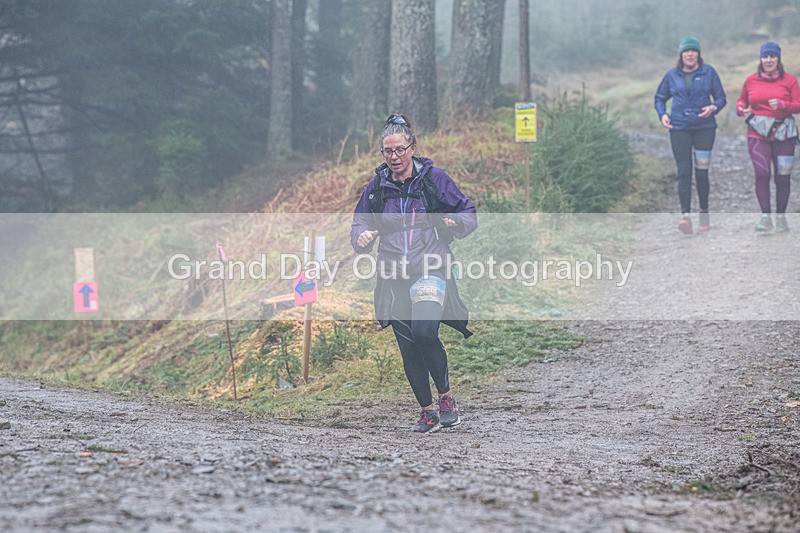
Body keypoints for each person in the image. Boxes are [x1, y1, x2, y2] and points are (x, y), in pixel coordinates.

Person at [351, 114, 477, 433]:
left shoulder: (434, 179)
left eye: (399, 150)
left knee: (424, 332)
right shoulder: (377, 186)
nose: (394, 157)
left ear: (412, 148)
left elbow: (468, 212)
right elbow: (360, 223)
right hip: (394, 275)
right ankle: (427, 411)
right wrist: (361, 238)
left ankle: (446, 398)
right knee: (408, 344)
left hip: (430, 267)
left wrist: (456, 224)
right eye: (387, 152)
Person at [655, 36, 727, 234]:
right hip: (679, 129)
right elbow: (660, 98)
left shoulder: (708, 72)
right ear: (681, 54)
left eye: (693, 51)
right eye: (686, 51)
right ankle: (685, 216)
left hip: (705, 129)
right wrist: (662, 115)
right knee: (684, 171)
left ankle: (704, 217)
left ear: (698, 54)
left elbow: (721, 97)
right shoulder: (672, 75)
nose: (690, 54)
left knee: (702, 171)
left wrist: (713, 107)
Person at [736, 41, 800, 233]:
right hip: (757, 133)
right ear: (761, 59)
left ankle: (781, 217)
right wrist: (740, 108)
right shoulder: (751, 80)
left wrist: (783, 105)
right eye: (765, 56)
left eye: (772, 56)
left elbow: (798, 105)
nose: (768, 60)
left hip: (784, 135)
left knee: (783, 177)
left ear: (778, 59)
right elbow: (742, 100)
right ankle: (765, 217)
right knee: (762, 174)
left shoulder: (790, 81)